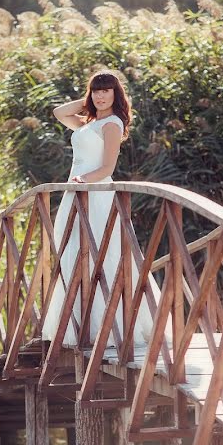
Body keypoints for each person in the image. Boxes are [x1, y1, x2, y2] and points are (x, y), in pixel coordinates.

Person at [41, 70, 160, 348]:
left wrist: (84, 180)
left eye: (107, 90)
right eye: (97, 90)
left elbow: (108, 167)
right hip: (77, 192)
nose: (101, 95)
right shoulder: (89, 123)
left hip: (94, 192)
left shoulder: (112, 125)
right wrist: (89, 102)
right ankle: (79, 323)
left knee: (102, 255)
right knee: (74, 253)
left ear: (116, 94)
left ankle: (110, 328)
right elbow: (59, 112)